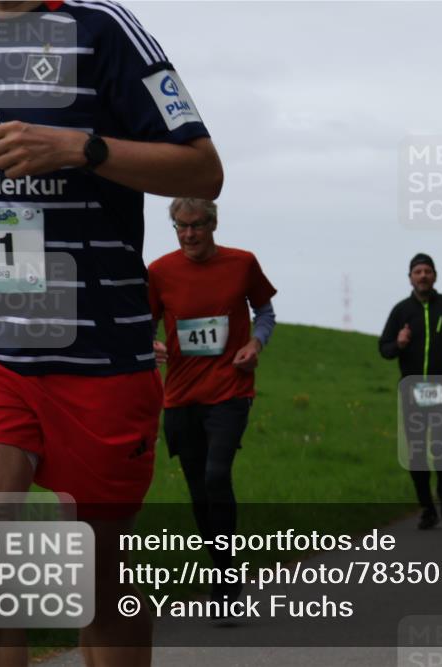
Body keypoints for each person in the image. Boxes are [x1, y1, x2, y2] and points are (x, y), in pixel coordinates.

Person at [0, 1, 221, 664]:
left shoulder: (104, 29)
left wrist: (82, 149)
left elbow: (203, 170)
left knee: (99, 579)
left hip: (99, 355)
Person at [149, 198, 276, 605]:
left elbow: (266, 311)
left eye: (197, 226)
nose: (189, 235)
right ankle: (221, 564)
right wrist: (148, 344)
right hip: (181, 396)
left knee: (217, 475)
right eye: (181, 227)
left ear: (213, 224)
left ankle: (226, 578)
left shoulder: (242, 263)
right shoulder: (160, 272)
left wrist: (257, 342)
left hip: (230, 391)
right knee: (198, 488)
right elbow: (143, 322)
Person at [379, 253, 442, 529]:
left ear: (435, 276)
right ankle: (427, 507)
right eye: (417, 271)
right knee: (416, 451)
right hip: (413, 390)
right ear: (410, 277)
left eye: (427, 271)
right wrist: (399, 343)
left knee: (441, 445)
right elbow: (384, 349)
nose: (423, 276)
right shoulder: (401, 311)